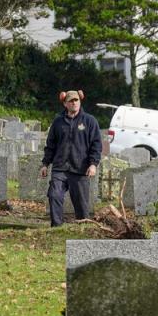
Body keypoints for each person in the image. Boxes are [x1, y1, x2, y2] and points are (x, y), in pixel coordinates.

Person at [40, 90, 101, 226]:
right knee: (54, 195)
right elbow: (50, 145)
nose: (74, 103)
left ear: (80, 101)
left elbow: (96, 145)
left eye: (76, 100)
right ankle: (56, 226)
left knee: (81, 204)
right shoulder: (58, 122)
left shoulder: (90, 121)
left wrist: (93, 164)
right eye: (71, 101)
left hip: (80, 169)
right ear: (65, 104)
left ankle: (82, 228)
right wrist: (45, 164)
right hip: (60, 168)